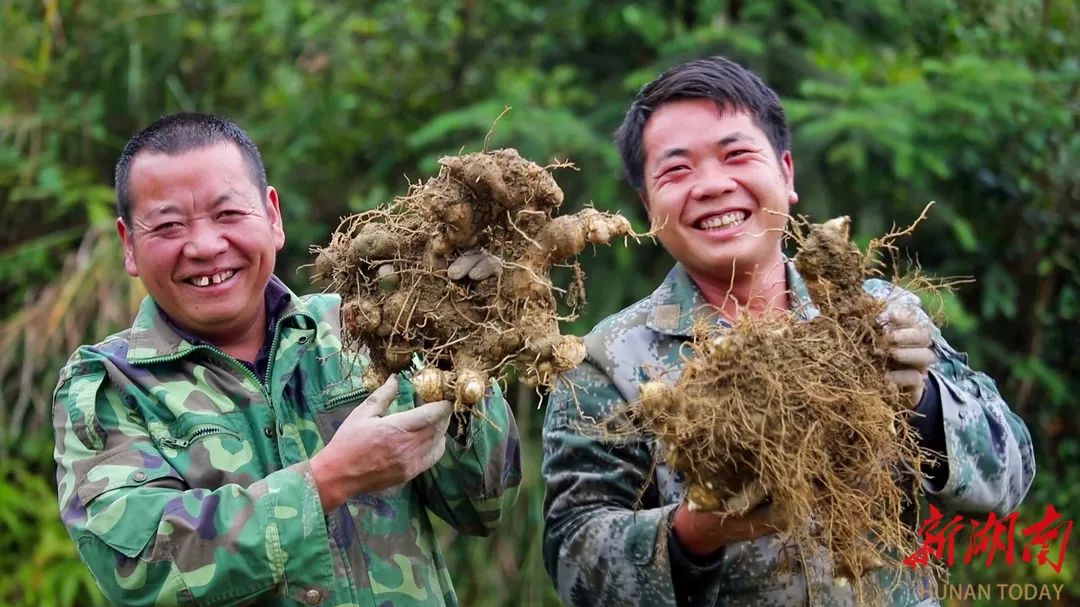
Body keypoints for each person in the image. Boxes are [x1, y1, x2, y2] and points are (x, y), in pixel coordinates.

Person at [541, 56, 1035, 607]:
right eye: (676, 171)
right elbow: (571, 561)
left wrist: (922, 402)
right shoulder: (606, 360)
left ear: (787, 174)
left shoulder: (878, 317)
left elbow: (1010, 479)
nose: (711, 185)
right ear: (648, 206)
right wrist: (695, 531)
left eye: (736, 155)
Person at [53, 113, 521, 606]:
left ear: (272, 217)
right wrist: (328, 480)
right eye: (169, 225)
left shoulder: (368, 328)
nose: (207, 246)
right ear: (129, 245)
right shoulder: (110, 385)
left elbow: (486, 507)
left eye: (228, 214)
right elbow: (139, 573)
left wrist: (462, 346)